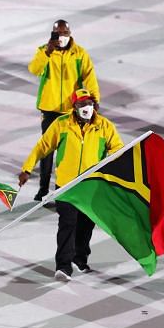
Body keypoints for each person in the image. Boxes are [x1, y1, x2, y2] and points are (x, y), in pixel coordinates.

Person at [18, 89, 122, 281]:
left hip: (91, 186)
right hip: (67, 185)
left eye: (89, 104)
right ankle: (63, 267)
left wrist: (109, 165)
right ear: (74, 107)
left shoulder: (104, 126)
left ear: (95, 105)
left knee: (86, 224)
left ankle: (79, 258)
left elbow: (117, 148)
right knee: (67, 223)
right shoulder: (62, 124)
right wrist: (27, 169)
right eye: (82, 104)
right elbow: (43, 147)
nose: (86, 108)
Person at [28, 19, 101, 201]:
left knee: (68, 151)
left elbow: (89, 77)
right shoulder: (44, 50)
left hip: (71, 110)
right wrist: (47, 52)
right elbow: (34, 69)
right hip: (50, 109)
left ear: (70, 34)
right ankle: (43, 189)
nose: (61, 38)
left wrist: (95, 100)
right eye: (58, 34)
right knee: (47, 150)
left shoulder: (79, 54)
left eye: (64, 34)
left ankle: (63, 188)